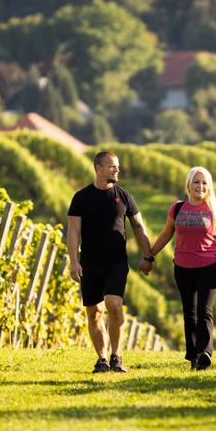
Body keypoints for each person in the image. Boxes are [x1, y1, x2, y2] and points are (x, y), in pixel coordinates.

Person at [67, 151, 154, 373]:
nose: (117, 170)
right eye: (112, 166)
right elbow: (73, 231)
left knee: (114, 305)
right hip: (89, 263)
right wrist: (74, 262)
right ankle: (102, 359)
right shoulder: (81, 198)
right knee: (94, 312)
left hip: (116, 262)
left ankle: (117, 356)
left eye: (117, 166)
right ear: (98, 168)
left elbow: (138, 227)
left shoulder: (125, 196)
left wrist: (148, 256)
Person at [143, 166, 216, 370]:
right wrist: (149, 256)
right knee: (189, 313)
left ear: (209, 187)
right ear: (189, 185)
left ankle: (205, 353)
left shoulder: (214, 209)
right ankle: (193, 357)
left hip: (209, 266)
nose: (200, 186)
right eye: (197, 182)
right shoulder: (177, 208)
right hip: (183, 267)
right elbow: (166, 234)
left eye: (204, 183)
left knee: (205, 311)